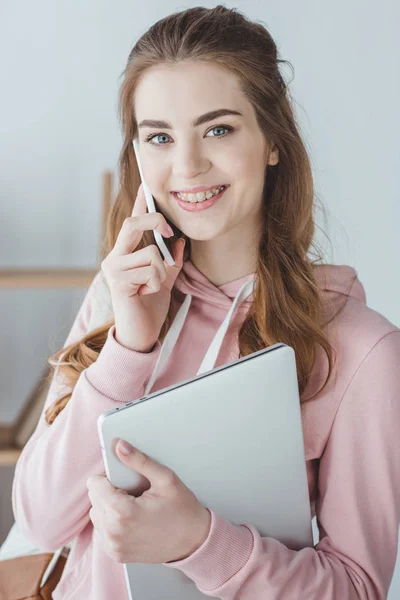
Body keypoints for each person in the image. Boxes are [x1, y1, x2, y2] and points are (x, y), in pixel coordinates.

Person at [11, 5, 400, 599]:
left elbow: (356, 589)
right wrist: (128, 349)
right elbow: (42, 521)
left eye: (218, 129)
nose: (187, 165)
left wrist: (198, 542)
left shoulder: (363, 349)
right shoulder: (119, 296)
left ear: (273, 140)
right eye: (159, 137)